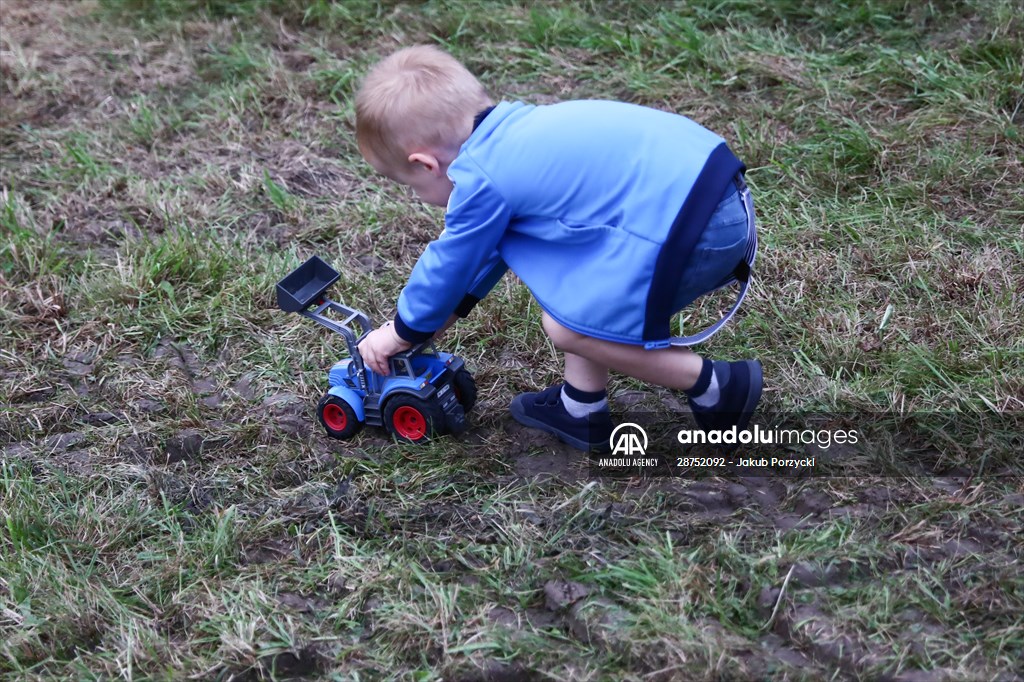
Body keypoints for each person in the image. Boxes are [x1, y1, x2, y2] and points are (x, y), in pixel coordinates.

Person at [354, 44, 762, 451]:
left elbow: (451, 262)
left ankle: (717, 387)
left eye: (410, 186)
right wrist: (446, 313)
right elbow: (487, 254)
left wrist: (404, 329)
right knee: (575, 289)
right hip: (718, 195)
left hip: (693, 229)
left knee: (567, 328)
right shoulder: (517, 135)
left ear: (426, 164)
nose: (417, 196)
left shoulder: (480, 179)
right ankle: (581, 408)